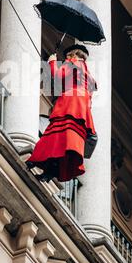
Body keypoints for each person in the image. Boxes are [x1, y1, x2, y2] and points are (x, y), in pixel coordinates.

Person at [27, 44, 97, 183]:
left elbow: (59, 76)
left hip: (70, 102)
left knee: (55, 134)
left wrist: (52, 61)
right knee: (68, 139)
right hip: (81, 107)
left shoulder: (73, 63)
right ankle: (51, 171)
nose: (66, 59)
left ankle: (36, 160)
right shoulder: (87, 73)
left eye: (67, 57)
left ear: (73, 55)